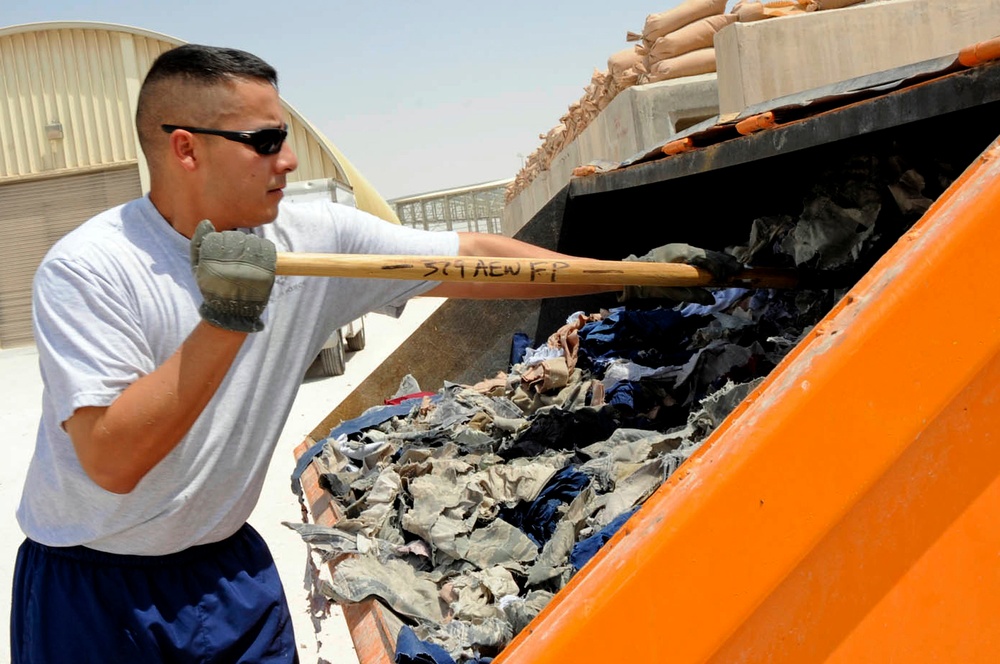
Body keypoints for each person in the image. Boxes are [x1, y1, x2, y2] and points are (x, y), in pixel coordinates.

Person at [10, 44, 738, 663]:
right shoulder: (94, 270)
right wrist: (228, 316)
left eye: (287, 136)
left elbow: (473, 257)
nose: (289, 160)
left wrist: (623, 279)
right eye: (265, 141)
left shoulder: (310, 239)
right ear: (185, 147)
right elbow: (111, 461)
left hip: (225, 571)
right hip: (96, 594)